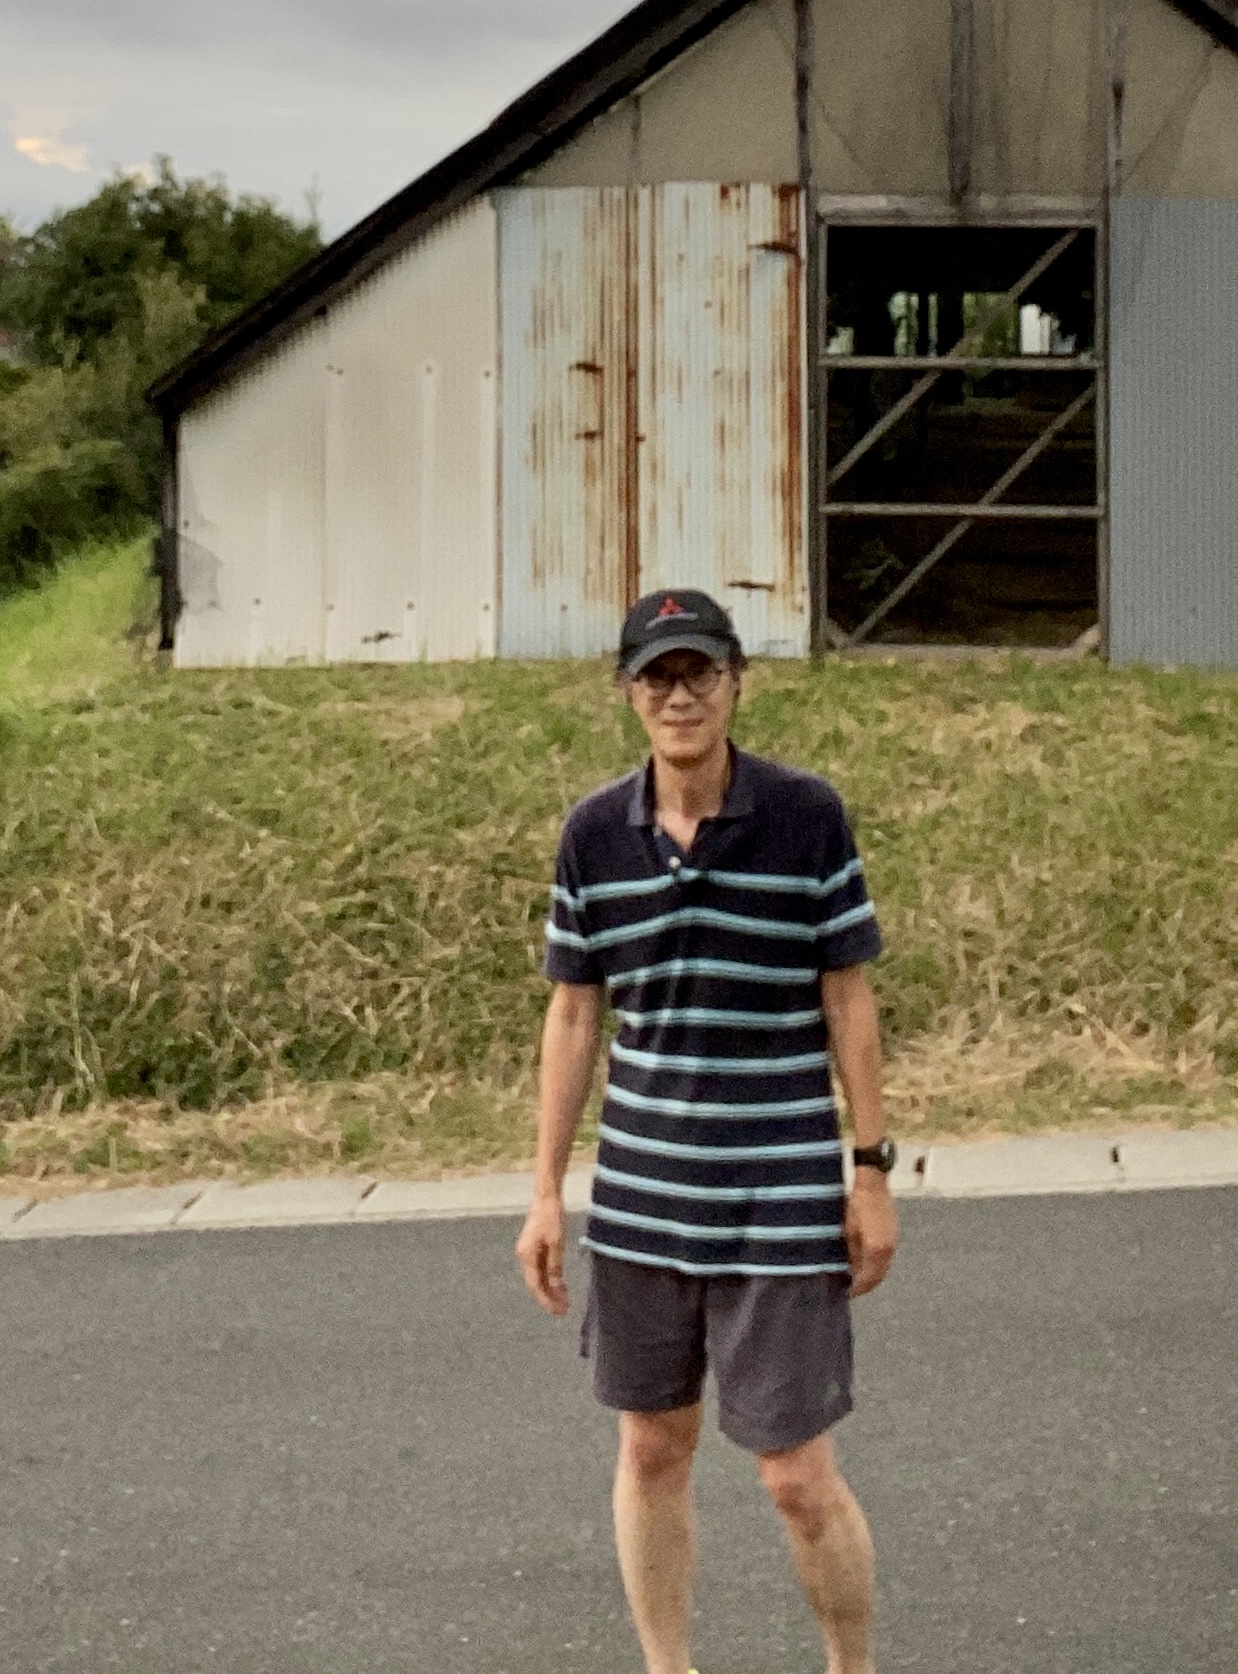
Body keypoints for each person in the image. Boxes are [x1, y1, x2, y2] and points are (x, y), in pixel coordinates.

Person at [516, 589, 899, 1674]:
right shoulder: (595, 833)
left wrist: (870, 1170)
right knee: (651, 1449)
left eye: (699, 673)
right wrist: (545, 1192)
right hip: (642, 1196)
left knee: (796, 1476)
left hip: (779, 1195)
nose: (678, 696)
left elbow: (846, 995)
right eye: (656, 676)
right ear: (626, 692)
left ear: (736, 682)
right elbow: (574, 1013)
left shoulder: (805, 814)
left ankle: (851, 1668)